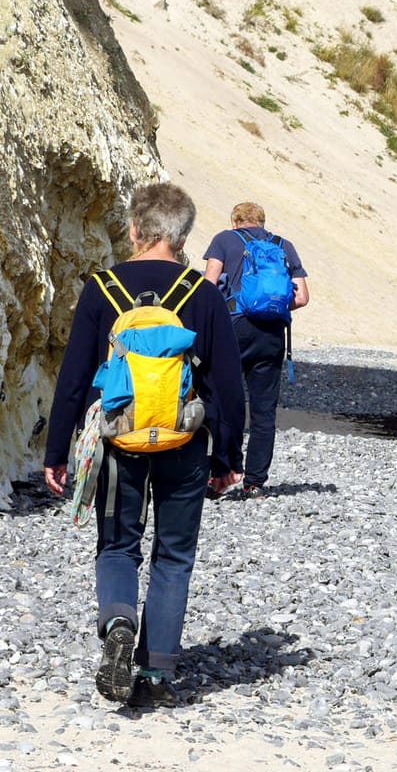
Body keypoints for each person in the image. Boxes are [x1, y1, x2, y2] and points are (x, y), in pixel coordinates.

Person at [42, 183, 246, 707]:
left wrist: (57, 452)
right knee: (173, 557)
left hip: (118, 438)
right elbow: (227, 382)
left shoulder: (102, 288)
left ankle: (117, 622)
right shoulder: (200, 294)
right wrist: (228, 458)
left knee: (116, 547)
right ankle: (154, 675)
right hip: (184, 438)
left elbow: (73, 377)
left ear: (134, 230)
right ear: (182, 237)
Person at [202, 202, 309, 499]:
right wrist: (270, 306)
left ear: (235, 221)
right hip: (273, 334)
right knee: (264, 410)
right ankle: (255, 482)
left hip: (233, 329)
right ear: (262, 222)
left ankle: (221, 474)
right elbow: (302, 298)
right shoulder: (283, 245)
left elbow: (209, 286)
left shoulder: (225, 239)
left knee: (225, 402)